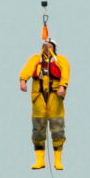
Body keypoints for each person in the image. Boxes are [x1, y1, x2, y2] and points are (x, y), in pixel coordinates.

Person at [19, 38, 70, 170]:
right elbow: (28, 68)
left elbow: (65, 71)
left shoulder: (60, 60)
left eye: (50, 46)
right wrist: (23, 80)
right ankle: (39, 160)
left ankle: (58, 160)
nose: (47, 48)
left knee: (57, 126)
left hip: (55, 96)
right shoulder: (36, 59)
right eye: (45, 46)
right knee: (38, 127)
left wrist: (62, 86)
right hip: (39, 96)